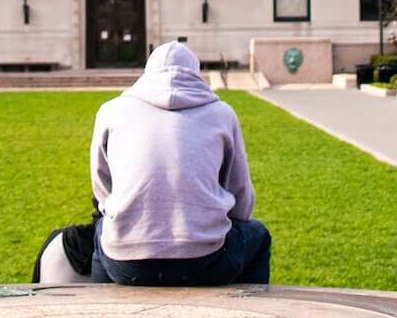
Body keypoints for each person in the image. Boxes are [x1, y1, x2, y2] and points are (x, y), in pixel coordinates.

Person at [88, 41, 269, 285]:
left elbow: (101, 183)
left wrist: (113, 211)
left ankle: (101, 310)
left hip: (127, 262)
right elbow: (239, 189)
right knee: (258, 235)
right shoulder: (222, 113)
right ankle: (254, 313)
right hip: (206, 260)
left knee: (103, 233)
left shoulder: (111, 110)